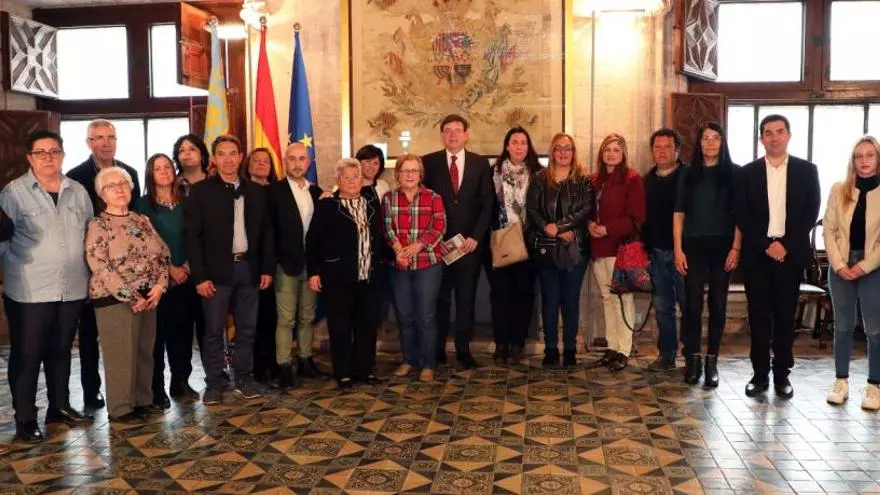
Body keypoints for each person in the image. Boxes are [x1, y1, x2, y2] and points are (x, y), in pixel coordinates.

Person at [0, 130, 94, 443]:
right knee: (27, 355)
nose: (48, 158)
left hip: (72, 286)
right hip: (29, 289)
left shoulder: (78, 191)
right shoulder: (14, 193)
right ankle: (26, 419)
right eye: (40, 153)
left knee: (61, 350)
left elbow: (89, 234)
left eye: (54, 151)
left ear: (63, 155)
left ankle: (59, 407)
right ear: (30, 158)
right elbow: (2, 239)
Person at [183, 135, 274, 404]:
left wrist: (267, 268)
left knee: (247, 328)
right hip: (215, 272)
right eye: (221, 154)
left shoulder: (255, 191)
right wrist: (200, 277)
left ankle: (243, 377)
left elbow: (266, 233)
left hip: (249, 268)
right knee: (213, 330)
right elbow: (192, 237)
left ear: (241, 156)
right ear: (213, 158)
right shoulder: (201, 191)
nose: (228, 159)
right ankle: (214, 382)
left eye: (233, 153)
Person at [735, 114, 821, 399]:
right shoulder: (747, 173)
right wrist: (766, 245)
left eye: (780, 131)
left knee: (785, 317)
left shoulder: (807, 170)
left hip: (790, 255)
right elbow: (741, 213)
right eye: (768, 133)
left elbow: (811, 211)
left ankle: (782, 374)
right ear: (761, 139)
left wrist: (785, 245)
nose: (774, 137)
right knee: (758, 317)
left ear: (789, 135)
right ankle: (759, 374)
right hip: (757, 255)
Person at [67, 119, 142, 411]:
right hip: (94, 267)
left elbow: (134, 221)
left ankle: (131, 392)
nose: (105, 142)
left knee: (128, 336)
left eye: (110, 137)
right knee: (89, 334)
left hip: (129, 271)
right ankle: (91, 390)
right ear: (89, 143)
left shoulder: (129, 172)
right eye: (98, 137)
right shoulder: (76, 177)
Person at [86, 166, 170, 423]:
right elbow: (99, 264)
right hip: (114, 299)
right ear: (102, 194)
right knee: (121, 355)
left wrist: (160, 286)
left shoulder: (141, 220)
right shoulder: (99, 224)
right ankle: (121, 408)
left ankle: (142, 401)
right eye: (112, 186)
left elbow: (163, 254)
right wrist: (132, 297)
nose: (119, 189)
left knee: (144, 352)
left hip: (149, 297)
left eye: (123, 183)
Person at [306, 159, 389, 389]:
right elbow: (313, 241)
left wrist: (394, 256)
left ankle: (365, 370)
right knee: (340, 326)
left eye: (356, 177)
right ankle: (342, 373)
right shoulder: (327, 205)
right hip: (338, 277)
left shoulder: (372, 203)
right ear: (338, 181)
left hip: (369, 276)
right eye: (346, 177)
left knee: (367, 325)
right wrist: (313, 272)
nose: (352, 181)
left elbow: (380, 237)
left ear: (362, 180)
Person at [422, 114, 493, 369]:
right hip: (438, 247)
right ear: (442, 135)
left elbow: (487, 204)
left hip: (468, 246)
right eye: (448, 130)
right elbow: (424, 204)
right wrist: (434, 239)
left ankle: (464, 350)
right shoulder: (428, 163)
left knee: (466, 300)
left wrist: (475, 237)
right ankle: (437, 350)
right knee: (438, 301)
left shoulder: (480, 163)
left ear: (466, 134)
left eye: (458, 130)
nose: (453, 135)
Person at [673, 123, 741, 388]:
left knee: (718, 304)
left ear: (722, 142)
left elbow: (740, 216)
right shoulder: (687, 173)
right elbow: (678, 214)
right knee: (692, 304)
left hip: (724, 246)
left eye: (715, 138)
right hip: (693, 245)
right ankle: (693, 359)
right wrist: (678, 249)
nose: (710, 142)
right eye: (705, 138)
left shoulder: (734, 173)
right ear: (699, 143)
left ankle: (712, 360)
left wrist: (736, 248)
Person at [823, 136, 880, 410]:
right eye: (859, 156)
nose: (864, 160)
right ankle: (841, 382)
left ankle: (874, 386)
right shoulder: (839, 190)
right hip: (841, 266)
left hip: (874, 267)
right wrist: (839, 265)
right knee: (843, 326)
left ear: (878, 159)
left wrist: (864, 266)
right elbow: (829, 230)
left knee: (875, 329)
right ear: (852, 161)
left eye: (870, 155)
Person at [527, 133, 593, 368]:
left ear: (573, 152)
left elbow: (586, 208)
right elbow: (532, 210)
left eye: (568, 148)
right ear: (552, 152)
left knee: (570, 301)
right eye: (559, 148)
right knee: (550, 300)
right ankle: (551, 350)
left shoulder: (583, 180)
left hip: (575, 248)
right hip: (547, 247)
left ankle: (570, 351)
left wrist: (563, 227)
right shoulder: (539, 178)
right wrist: (550, 228)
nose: (563, 152)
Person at [134, 154, 193, 406]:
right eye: (158, 168)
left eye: (168, 167)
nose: (165, 172)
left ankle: (181, 382)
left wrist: (186, 266)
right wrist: (170, 269)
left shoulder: (187, 201)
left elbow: (197, 235)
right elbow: (142, 245)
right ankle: (156, 389)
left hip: (186, 277)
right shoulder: (142, 205)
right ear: (151, 174)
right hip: (156, 281)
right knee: (156, 337)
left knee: (183, 333)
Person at [267, 142, 326, 389]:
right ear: (285, 161)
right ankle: (283, 365)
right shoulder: (274, 192)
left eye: (302, 158)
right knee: (286, 319)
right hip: (285, 266)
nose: (297, 163)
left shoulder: (317, 192)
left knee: (307, 317)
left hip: (311, 266)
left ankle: (305, 360)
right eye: (292, 158)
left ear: (308, 162)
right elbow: (268, 232)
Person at [384, 154, 446, 382]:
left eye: (414, 171)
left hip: (427, 263)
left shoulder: (433, 197)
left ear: (420, 174)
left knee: (426, 316)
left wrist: (418, 246)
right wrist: (399, 250)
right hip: (399, 264)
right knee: (404, 315)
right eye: (405, 170)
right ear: (397, 174)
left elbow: (439, 227)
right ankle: (409, 360)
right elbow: (387, 227)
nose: (409, 175)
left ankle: (428, 364)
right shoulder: (389, 198)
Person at [587, 133, 646, 372]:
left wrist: (608, 229)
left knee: (623, 299)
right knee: (606, 299)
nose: (611, 154)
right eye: (607, 150)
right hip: (598, 248)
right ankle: (611, 347)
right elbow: (588, 211)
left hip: (620, 249)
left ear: (623, 154)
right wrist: (590, 225)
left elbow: (637, 218)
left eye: (616, 150)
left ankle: (624, 349)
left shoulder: (632, 179)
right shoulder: (594, 180)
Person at [487, 127, 541, 365]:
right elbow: (486, 204)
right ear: (507, 146)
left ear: (528, 147)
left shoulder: (538, 173)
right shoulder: (493, 172)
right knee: (500, 294)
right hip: (500, 240)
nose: (519, 146)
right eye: (515, 142)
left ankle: (518, 344)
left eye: (523, 143)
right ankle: (501, 344)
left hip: (528, 242)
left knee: (524, 294)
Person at [642, 128, 687, 371]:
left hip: (685, 253)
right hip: (657, 253)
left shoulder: (688, 176)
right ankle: (667, 354)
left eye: (667, 147)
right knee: (662, 307)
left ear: (677, 150)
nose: (662, 151)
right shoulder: (646, 180)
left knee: (689, 304)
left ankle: (691, 355)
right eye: (657, 147)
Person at [170, 134, 209, 394]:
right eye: (181, 150)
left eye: (192, 148)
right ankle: (180, 380)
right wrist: (182, 263)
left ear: (202, 154)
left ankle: (214, 374)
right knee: (181, 326)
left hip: (210, 264)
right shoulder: (170, 185)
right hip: (181, 269)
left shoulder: (216, 182)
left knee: (210, 324)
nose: (187, 153)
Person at [243, 148, 279, 385]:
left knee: (272, 317)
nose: (261, 164)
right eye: (256, 161)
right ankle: (255, 365)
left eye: (266, 161)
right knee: (252, 318)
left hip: (275, 262)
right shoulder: (242, 191)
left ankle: (272, 362)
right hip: (250, 263)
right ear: (247, 166)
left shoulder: (278, 191)